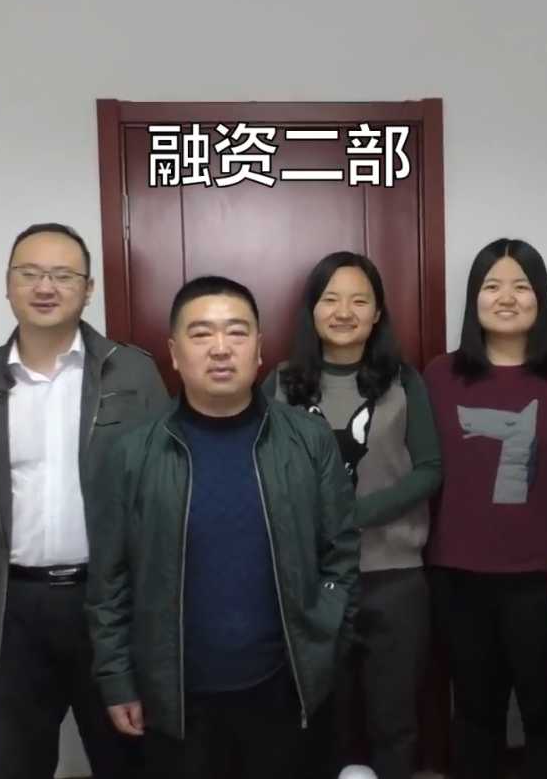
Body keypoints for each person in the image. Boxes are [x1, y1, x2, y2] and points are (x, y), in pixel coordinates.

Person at [0, 222, 167, 779]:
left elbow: (165, 493)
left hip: (109, 605)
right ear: (8, 284)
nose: (45, 287)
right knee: (16, 763)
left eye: (62, 275)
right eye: (30, 273)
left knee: (129, 760)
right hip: (9, 607)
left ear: (88, 289)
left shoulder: (133, 374)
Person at [86, 275, 360, 779]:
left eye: (236, 332)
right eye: (201, 334)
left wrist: (326, 645)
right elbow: (109, 582)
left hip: (286, 688)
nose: (220, 348)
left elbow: (340, 553)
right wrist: (117, 679)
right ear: (174, 353)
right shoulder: (131, 453)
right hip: (176, 697)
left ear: (259, 349)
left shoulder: (308, 439)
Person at [265, 252, 442, 779]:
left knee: (395, 720)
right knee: (323, 722)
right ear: (312, 309)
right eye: (331, 299)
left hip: (394, 578)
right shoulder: (281, 385)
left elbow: (429, 469)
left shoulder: (404, 382)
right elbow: (264, 473)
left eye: (359, 300)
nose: (344, 312)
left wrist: (352, 514)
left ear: (377, 312)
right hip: (312, 581)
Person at [423, 238, 547, 779]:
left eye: (522, 286)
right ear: (474, 298)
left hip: (543, 578)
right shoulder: (440, 376)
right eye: (492, 286)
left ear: (541, 298)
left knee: (545, 713)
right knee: (474, 715)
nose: (507, 297)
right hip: (458, 576)